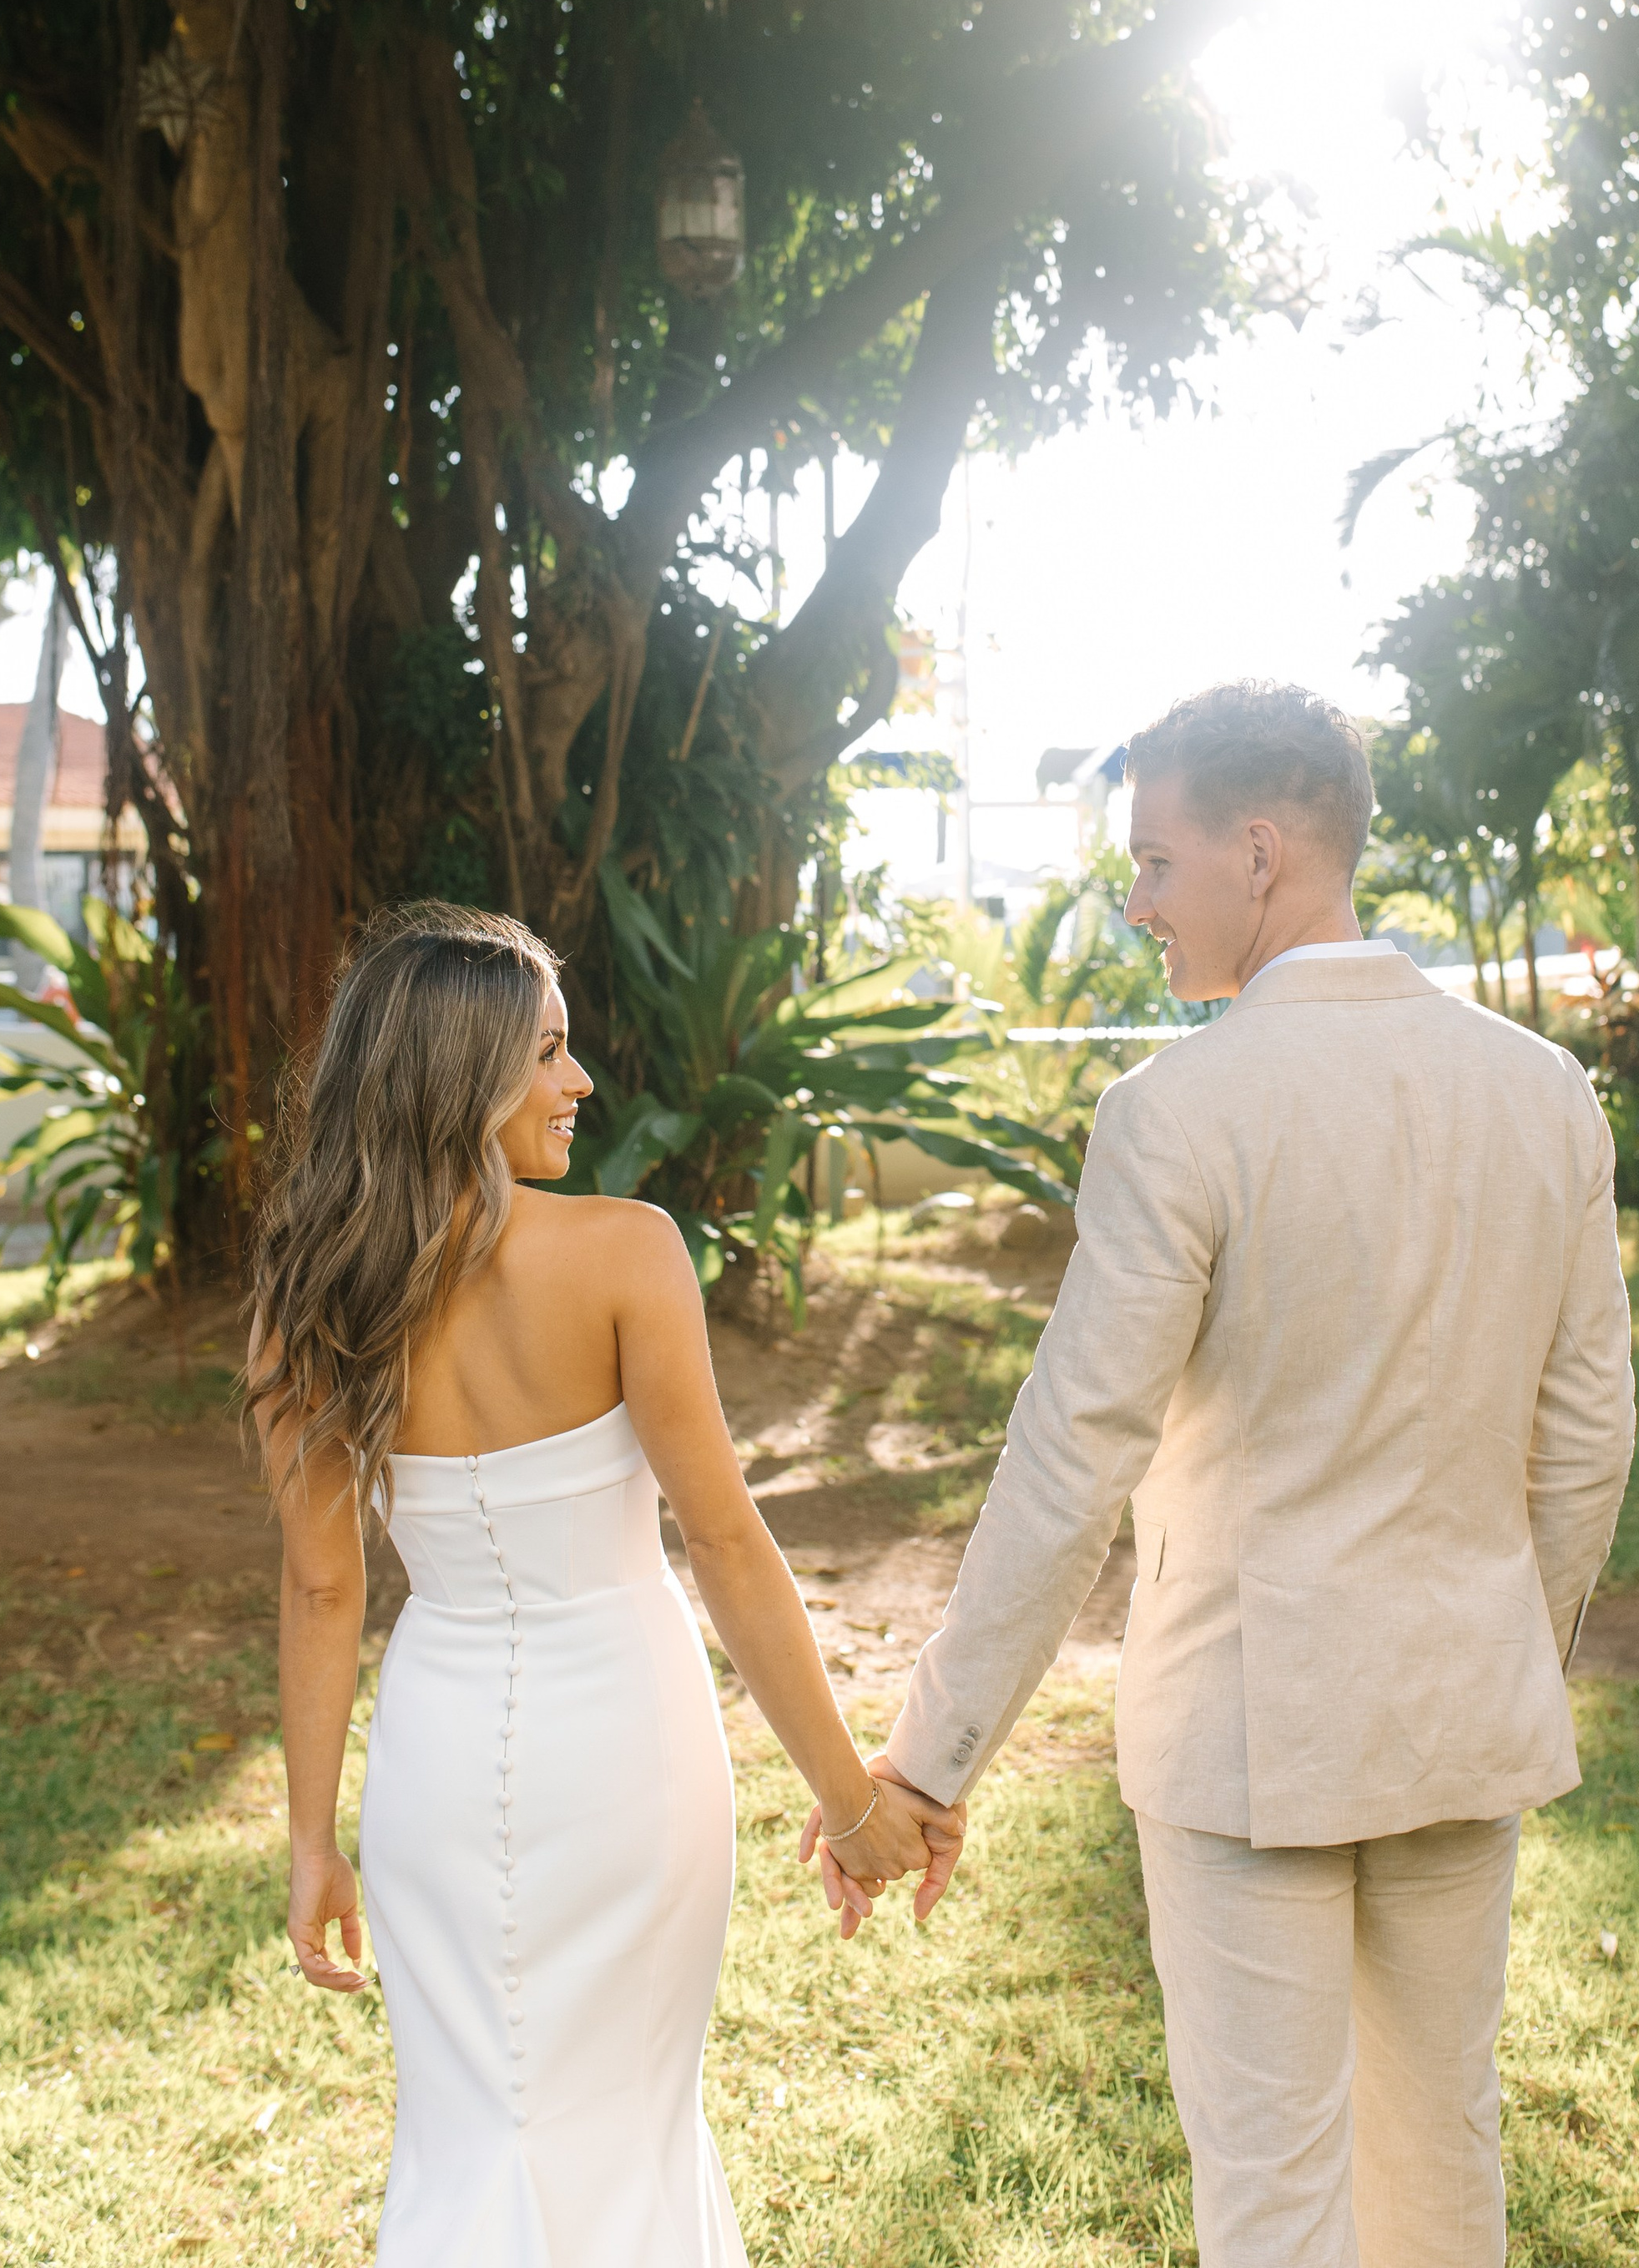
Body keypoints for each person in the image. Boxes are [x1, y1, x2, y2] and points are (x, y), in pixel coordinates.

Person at [834, 682, 1635, 2268]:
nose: (1134, 902)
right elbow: (1589, 1432)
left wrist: (930, 1759)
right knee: (1441, 2155)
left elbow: (1076, 1451)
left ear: (1259, 853)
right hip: (1464, 1713)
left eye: (1151, 860)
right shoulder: (1543, 1092)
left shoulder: (1175, 1113)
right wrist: (1504, 1643)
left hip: (1247, 1733)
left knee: (1275, 2196)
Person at [245, 903, 962, 2267]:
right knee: (625, 2127)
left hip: (437, 1769)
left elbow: (322, 1592)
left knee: (469, 2135)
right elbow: (728, 1546)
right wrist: (851, 1801)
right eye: (549, 1053)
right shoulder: (627, 1251)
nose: (579, 1084)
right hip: (629, 1751)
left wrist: (310, 1842)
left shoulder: (309, 1290)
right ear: (461, 1075)